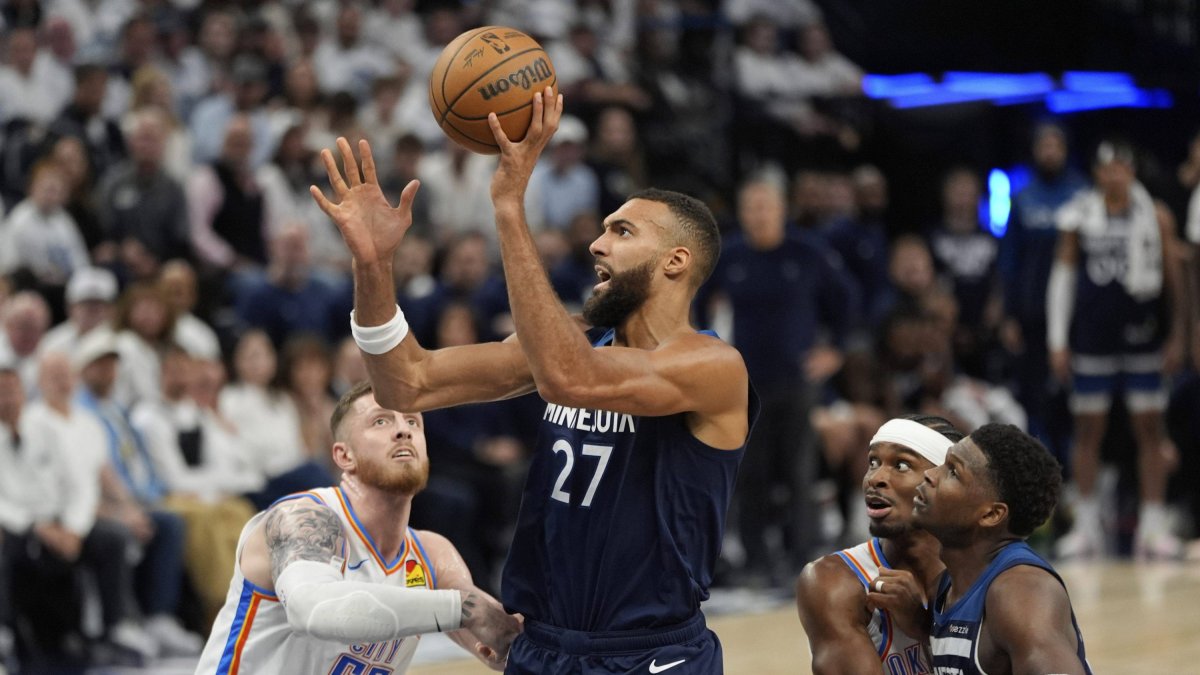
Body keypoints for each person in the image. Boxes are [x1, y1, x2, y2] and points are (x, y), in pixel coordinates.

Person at [311, 87, 755, 673]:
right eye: (602, 229)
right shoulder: (570, 345)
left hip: (651, 654)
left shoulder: (712, 366)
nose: (596, 243)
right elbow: (406, 384)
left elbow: (573, 379)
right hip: (542, 647)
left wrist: (508, 206)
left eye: (623, 232)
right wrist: (373, 265)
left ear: (675, 261)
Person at [193, 380, 521, 673]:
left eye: (412, 422)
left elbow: (493, 631)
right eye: (381, 421)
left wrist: (516, 641)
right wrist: (462, 609)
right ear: (344, 456)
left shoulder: (432, 555)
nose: (403, 430)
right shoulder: (303, 518)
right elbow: (313, 610)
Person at [1049, 140, 1187, 559]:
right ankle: (1087, 524)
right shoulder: (1078, 216)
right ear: (1097, 173)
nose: (1115, 175)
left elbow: (1175, 282)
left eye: (1122, 167)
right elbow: (1063, 278)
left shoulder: (1156, 215)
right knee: (1088, 428)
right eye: (1107, 168)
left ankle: (1153, 524)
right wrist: (1058, 340)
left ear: (1132, 171)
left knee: (1150, 427)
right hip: (1093, 335)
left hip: (1142, 332)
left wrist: (1178, 335)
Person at [914, 423, 1092, 674]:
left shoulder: (1020, 593)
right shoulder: (946, 585)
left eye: (953, 472)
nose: (930, 474)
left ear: (991, 514)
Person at [796, 415, 962, 675]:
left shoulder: (990, 573)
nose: (875, 478)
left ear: (947, 484)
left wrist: (924, 627)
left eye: (901, 465)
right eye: (873, 462)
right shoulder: (836, 580)